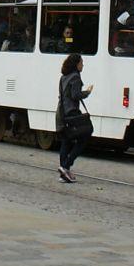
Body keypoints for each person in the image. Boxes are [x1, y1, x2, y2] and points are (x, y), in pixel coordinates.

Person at [57, 53, 93, 183]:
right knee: (84, 136)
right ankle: (65, 166)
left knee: (66, 140)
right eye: (81, 62)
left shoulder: (64, 77)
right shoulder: (76, 78)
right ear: (76, 64)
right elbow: (75, 95)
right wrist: (87, 92)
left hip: (62, 112)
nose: (83, 65)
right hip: (72, 112)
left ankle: (63, 174)